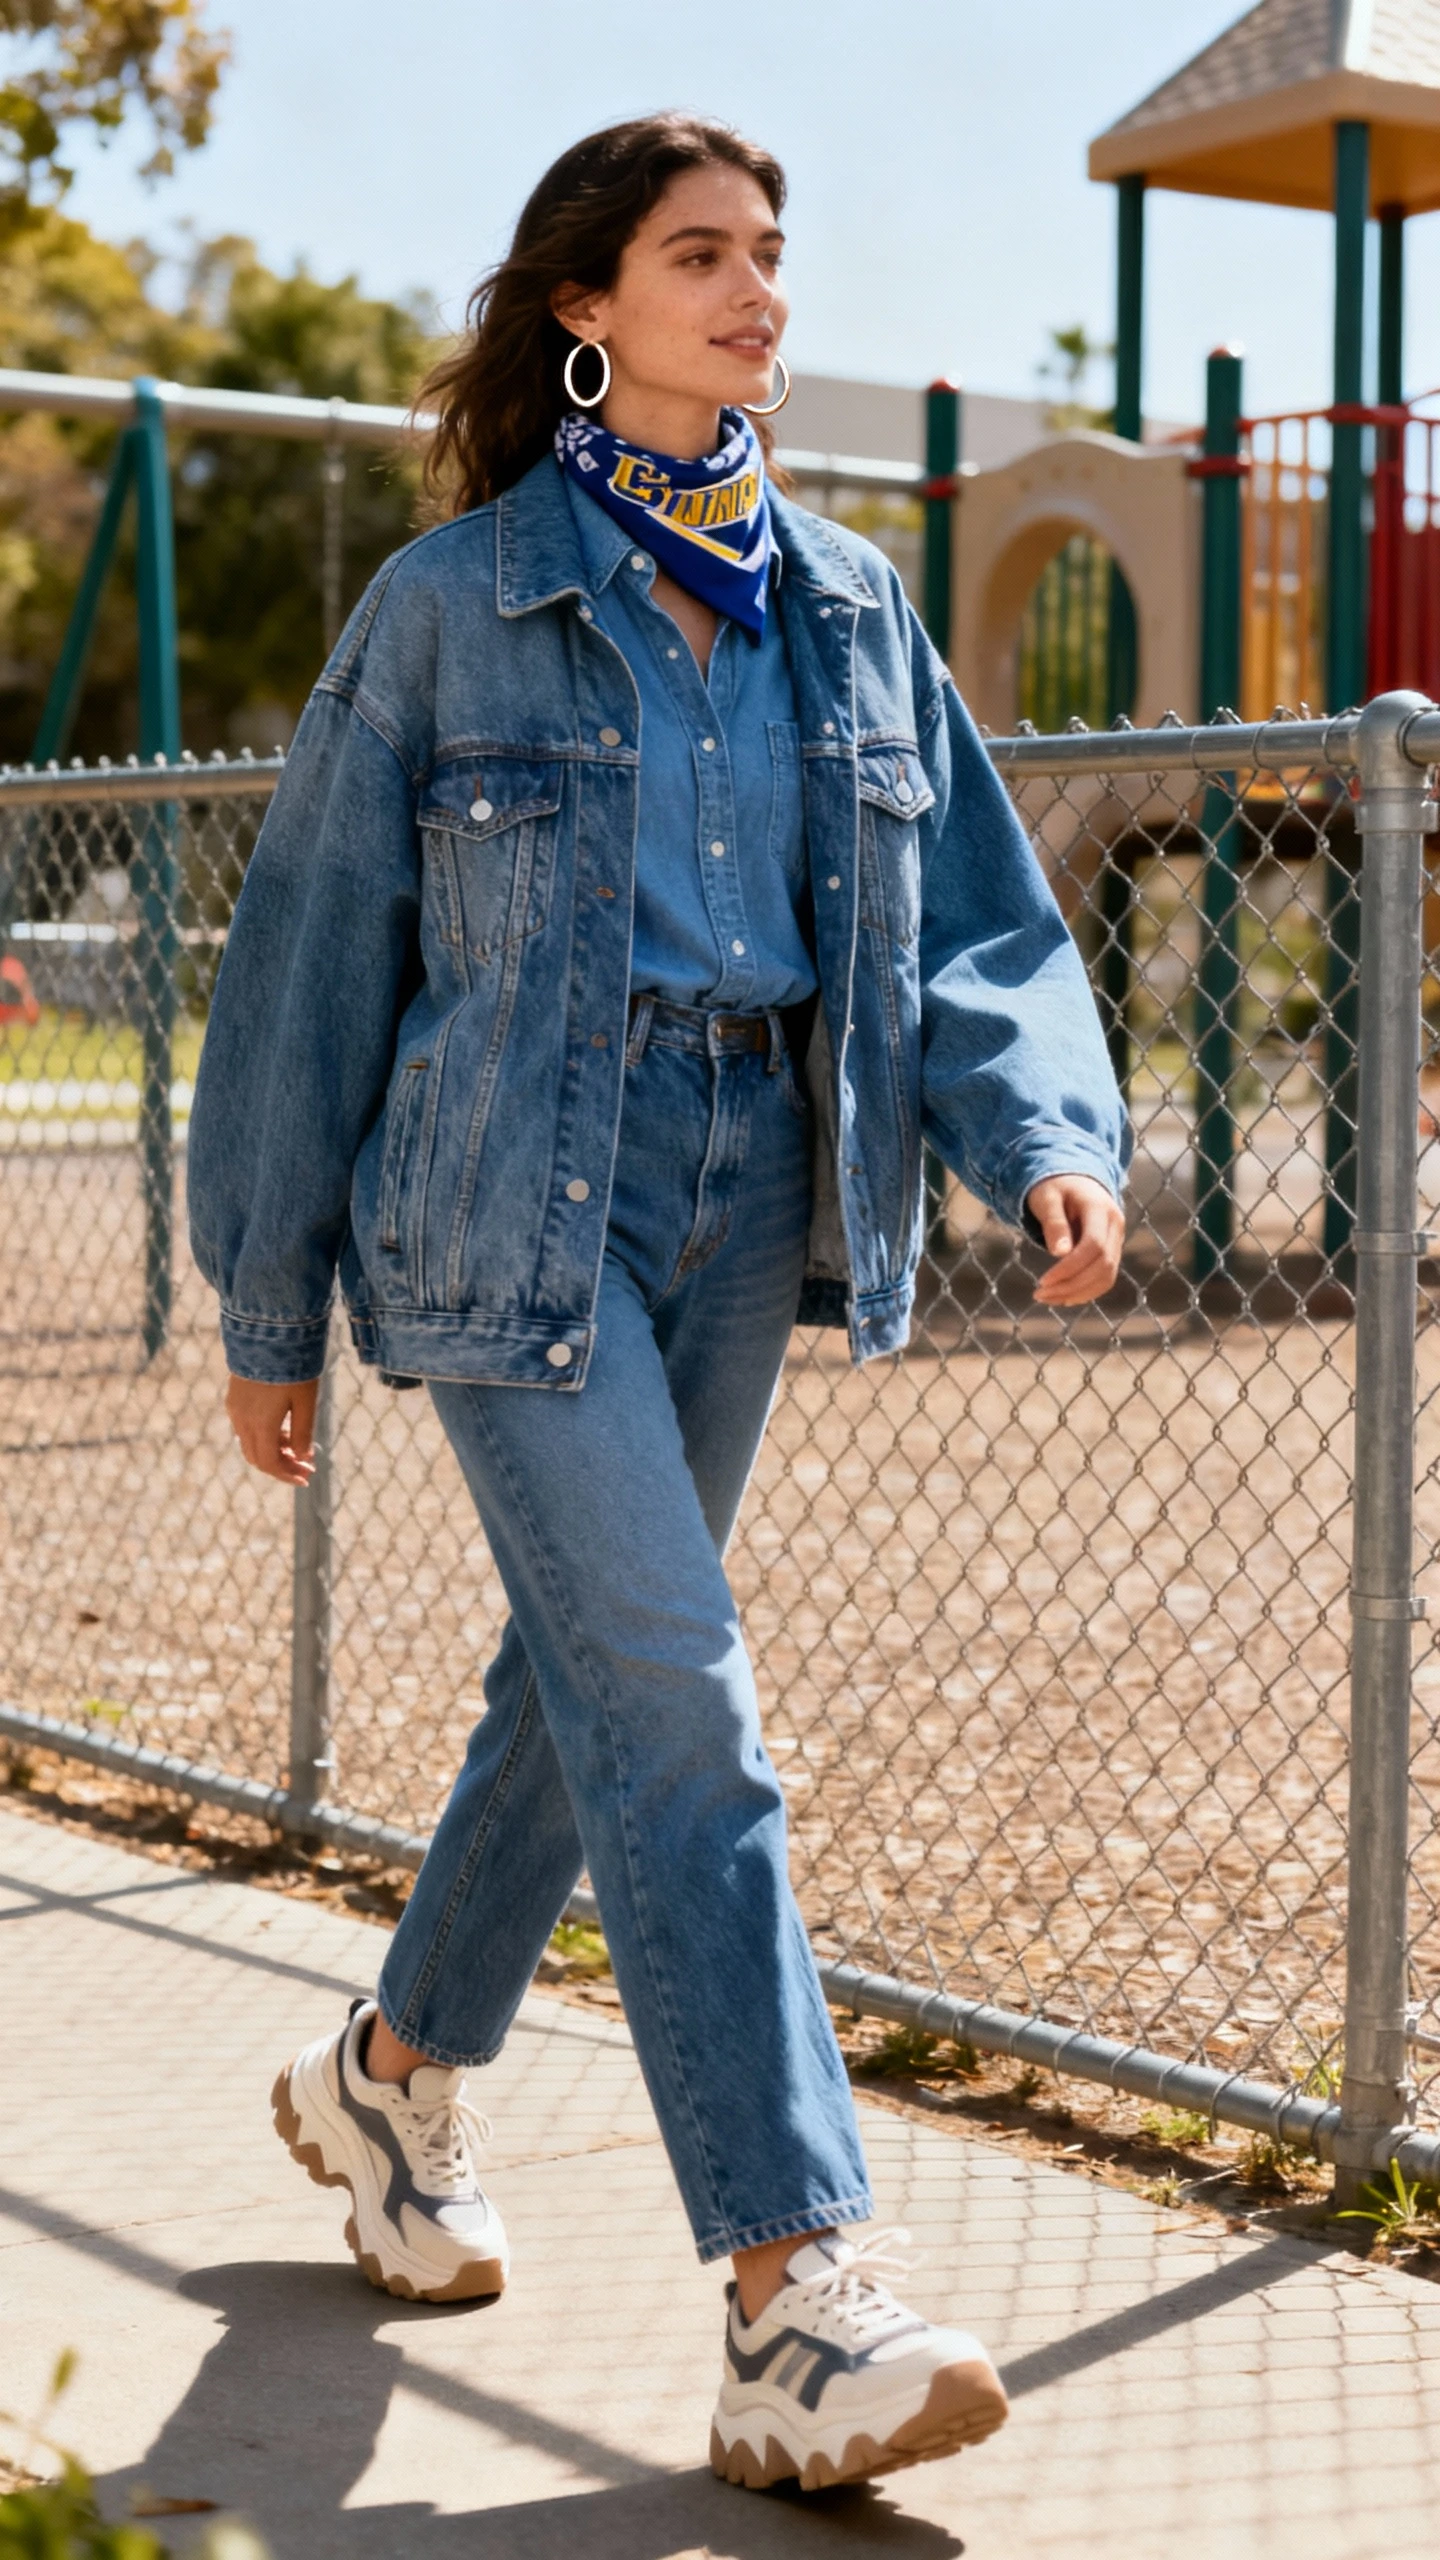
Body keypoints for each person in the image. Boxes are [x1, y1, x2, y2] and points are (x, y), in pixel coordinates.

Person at [188, 111, 1128, 2496]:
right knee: (682, 1700)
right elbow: (311, 954)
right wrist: (269, 1295)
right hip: (513, 1195)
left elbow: (982, 913)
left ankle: (389, 2077)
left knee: (589, 1684)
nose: (756, 289)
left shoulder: (848, 602)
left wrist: (1046, 1134)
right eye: (700, 253)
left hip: (745, 1189)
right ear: (587, 307)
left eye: (770, 254)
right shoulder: (457, 601)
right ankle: (797, 2296)